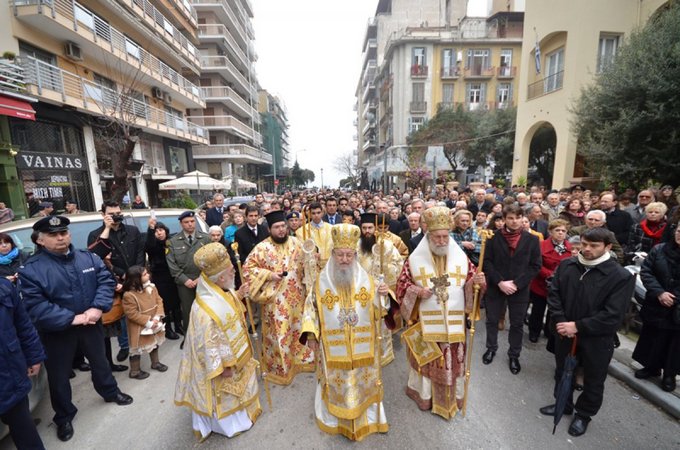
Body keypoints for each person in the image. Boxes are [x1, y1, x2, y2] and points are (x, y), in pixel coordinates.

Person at [19, 216, 133, 442]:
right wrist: (74, 318)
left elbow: (106, 282)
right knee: (59, 376)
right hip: (57, 333)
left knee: (100, 362)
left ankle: (110, 392)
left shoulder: (87, 257)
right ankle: (64, 416)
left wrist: (98, 308)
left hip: (91, 324)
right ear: (40, 241)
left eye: (63, 233)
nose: (60, 238)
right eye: (53, 235)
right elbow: (35, 306)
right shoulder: (32, 270)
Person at [541, 228, 635, 437]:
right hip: (565, 332)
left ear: (608, 247)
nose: (587, 249)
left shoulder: (620, 276)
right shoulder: (568, 264)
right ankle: (563, 403)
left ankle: (583, 415)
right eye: (584, 244)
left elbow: (613, 314)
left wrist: (578, 326)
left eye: (594, 246)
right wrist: (562, 321)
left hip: (597, 339)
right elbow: (554, 293)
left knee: (593, 379)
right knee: (562, 371)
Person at [300, 223, 389, 440]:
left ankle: (365, 416)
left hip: (362, 346)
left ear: (355, 255)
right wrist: (311, 333)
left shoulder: (367, 280)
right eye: (340, 255)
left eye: (349, 255)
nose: (345, 260)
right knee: (336, 380)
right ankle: (336, 419)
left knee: (362, 381)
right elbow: (310, 308)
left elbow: (380, 309)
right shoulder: (321, 281)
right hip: (334, 349)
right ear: (333, 254)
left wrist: (384, 295)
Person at [395, 206, 485, 419]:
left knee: (453, 360)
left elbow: (472, 280)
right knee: (428, 359)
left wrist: (478, 282)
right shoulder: (414, 260)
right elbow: (401, 285)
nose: (442, 240)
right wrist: (417, 291)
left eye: (445, 236)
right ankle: (424, 395)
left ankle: (453, 398)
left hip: (454, 322)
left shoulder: (461, 259)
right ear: (429, 236)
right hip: (426, 322)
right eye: (438, 236)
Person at [174, 243, 261, 440]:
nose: (234, 274)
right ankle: (226, 424)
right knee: (224, 392)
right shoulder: (205, 309)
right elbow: (208, 344)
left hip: (234, 354)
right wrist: (224, 366)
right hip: (223, 364)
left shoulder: (218, 288)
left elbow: (229, 309)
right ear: (221, 277)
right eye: (231, 272)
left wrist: (238, 295)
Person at [243, 210, 315, 385]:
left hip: (298, 297)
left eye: (283, 226)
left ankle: (302, 361)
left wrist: (312, 259)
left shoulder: (298, 243)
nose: (281, 230)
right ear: (269, 229)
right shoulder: (261, 248)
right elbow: (247, 270)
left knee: (299, 330)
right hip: (275, 302)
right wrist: (268, 275)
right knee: (280, 334)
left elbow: (311, 264)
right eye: (277, 227)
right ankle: (281, 368)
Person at [482, 204, 541, 374]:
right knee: (492, 320)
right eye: (510, 218)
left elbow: (535, 265)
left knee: (516, 324)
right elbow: (487, 262)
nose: (514, 221)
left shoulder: (532, 240)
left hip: (519, 289)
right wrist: (500, 282)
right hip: (496, 286)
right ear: (504, 219)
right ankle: (491, 348)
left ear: (523, 219)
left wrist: (516, 283)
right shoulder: (493, 238)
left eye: (518, 218)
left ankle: (514, 354)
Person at [88, 200, 146, 362]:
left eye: (118, 213)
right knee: (120, 316)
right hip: (114, 282)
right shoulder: (96, 234)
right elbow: (97, 260)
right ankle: (125, 346)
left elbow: (140, 253)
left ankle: (139, 344)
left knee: (138, 312)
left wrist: (136, 275)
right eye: (111, 214)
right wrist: (118, 279)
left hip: (134, 278)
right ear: (103, 215)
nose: (116, 216)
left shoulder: (132, 231)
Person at [631, 227, 680, 392]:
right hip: (656, 302)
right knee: (652, 337)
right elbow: (646, 271)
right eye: (679, 230)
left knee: (674, 344)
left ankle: (669, 375)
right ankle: (651, 367)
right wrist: (659, 293)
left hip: (677, 308)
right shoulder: (659, 249)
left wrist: (674, 297)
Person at [0, 278, 46, 450]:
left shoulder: (4, 287)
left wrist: (34, 357)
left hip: (9, 374)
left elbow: (23, 325)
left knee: (24, 429)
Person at [357, 213, 404, 365]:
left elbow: (398, 265)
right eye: (364, 228)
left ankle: (382, 354)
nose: (367, 231)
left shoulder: (387, 245)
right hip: (359, 293)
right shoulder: (355, 246)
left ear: (375, 228)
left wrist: (386, 273)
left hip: (380, 293)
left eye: (370, 227)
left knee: (381, 326)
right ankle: (363, 353)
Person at [166, 211, 211, 337]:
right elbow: (172, 265)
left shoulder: (206, 238)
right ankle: (189, 338)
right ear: (181, 224)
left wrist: (201, 278)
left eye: (192, 221)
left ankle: (207, 336)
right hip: (184, 282)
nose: (190, 224)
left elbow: (211, 261)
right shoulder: (173, 241)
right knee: (187, 311)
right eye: (186, 222)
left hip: (203, 279)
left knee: (206, 309)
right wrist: (185, 280)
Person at [528, 219, 572, 343]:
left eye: (563, 231)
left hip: (559, 286)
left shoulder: (570, 248)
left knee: (553, 311)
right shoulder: (541, 245)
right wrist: (549, 274)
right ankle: (534, 331)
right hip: (541, 284)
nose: (560, 233)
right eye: (557, 230)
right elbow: (536, 263)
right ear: (550, 231)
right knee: (538, 310)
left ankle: (549, 331)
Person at [121, 266, 167, 379]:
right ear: (136, 279)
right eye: (145, 274)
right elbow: (132, 314)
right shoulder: (129, 295)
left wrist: (157, 317)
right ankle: (135, 371)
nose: (148, 275)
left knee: (154, 342)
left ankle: (155, 363)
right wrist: (148, 322)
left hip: (154, 321)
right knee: (137, 349)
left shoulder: (151, 287)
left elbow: (159, 301)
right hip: (140, 326)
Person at [145, 218, 181, 339]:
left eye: (161, 230)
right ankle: (167, 329)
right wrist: (150, 229)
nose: (159, 233)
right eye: (156, 231)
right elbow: (149, 245)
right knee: (165, 304)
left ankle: (178, 325)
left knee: (176, 302)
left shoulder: (171, 241)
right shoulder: (152, 244)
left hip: (173, 275)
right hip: (160, 277)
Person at [296, 202, 334, 268]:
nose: (316, 215)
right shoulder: (302, 231)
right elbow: (301, 251)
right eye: (313, 213)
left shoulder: (331, 228)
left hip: (329, 266)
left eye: (318, 213)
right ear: (309, 214)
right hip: (311, 267)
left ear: (322, 213)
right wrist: (312, 256)